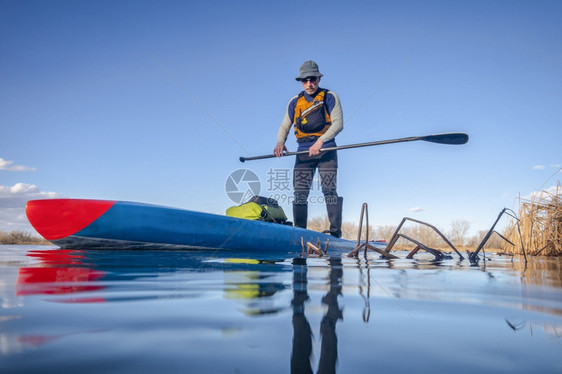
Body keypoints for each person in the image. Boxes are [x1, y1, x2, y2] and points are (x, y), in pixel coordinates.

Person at [273, 60, 344, 238]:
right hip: (303, 153)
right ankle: (299, 232)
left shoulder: (330, 96)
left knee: (329, 190)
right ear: (301, 81)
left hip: (326, 149)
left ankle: (335, 233)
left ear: (319, 79)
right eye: (305, 80)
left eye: (312, 79)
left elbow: (338, 124)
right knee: (300, 193)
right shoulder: (294, 102)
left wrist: (320, 142)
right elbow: (284, 126)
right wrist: (280, 142)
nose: (309, 83)